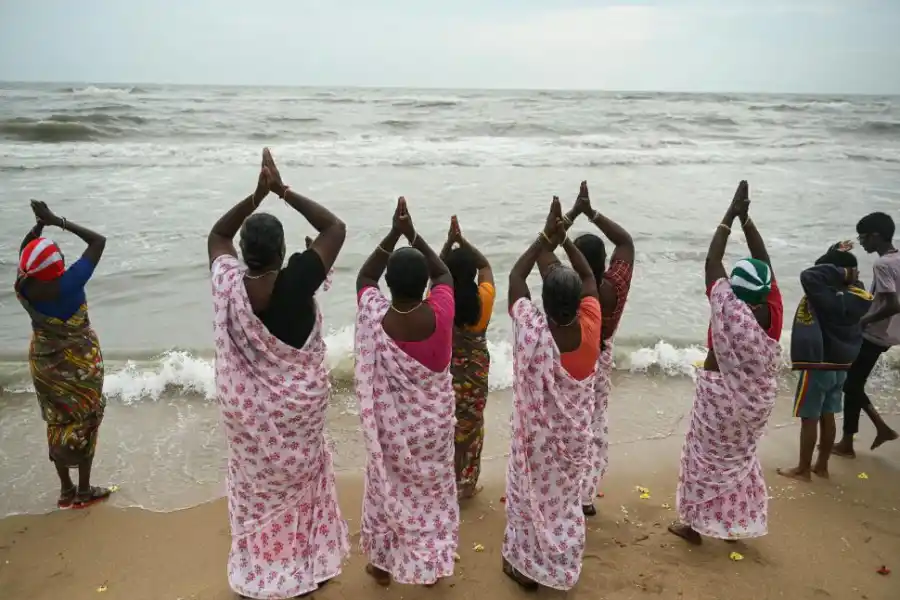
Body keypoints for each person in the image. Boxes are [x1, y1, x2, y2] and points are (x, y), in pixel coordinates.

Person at [208, 148, 349, 599]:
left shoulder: (229, 284)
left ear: (244, 254)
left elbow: (216, 234)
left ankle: (262, 571)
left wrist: (256, 196)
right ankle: (305, 566)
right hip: (296, 418)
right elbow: (335, 228)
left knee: (258, 492)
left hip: (251, 424)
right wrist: (282, 191)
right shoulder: (299, 278)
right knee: (298, 489)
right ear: (284, 251)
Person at [669, 181, 781, 546]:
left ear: (735, 289)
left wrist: (730, 216)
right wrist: (747, 222)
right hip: (756, 403)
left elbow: (711, 261)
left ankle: (693, 526)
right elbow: (764, 262)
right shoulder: (773, 311)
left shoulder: (726, 305)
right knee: (740, 462)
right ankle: (734, 526)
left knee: (703, 460)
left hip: (719, 402)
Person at [354, 197, 458, 587]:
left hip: (393, 431)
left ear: (390, 285)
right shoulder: (442, 312)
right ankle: (430, 567)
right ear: (424, 286)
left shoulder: (375, 314)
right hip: (433, 429)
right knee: (431, 493)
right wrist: (411, 232)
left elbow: (365, 279)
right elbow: (444, 273)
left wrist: (393, 235)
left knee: (387, 487)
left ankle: (382, 565)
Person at [503, 197, 600, 591]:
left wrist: (546, 235)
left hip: (538, 444)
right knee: (562, 502)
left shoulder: (532, 330)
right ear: (578, 303)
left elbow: (514, 278)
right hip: (574, 438)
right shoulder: (592, 327)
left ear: (542, 302)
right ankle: (561, 561)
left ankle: (526, 568)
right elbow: (589, 277)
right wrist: (566, 242)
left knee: (530, 498)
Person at [15, 200, 110, 510]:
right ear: (56, 269)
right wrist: (57, 221)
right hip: (80, 364)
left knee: (56, 422)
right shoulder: (70, 284)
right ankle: (84, 490)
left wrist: (39, 226)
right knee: (87, 421)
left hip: (45, 365)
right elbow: (98, 241)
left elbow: (26, 250)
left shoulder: (24, 285)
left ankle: (65, 490)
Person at [561, 181, 635, 516]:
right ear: (603, 262)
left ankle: (565, 488)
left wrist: (565, 221)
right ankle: (586, 495)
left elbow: (540, 255)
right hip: (601, 358)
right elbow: (626, 241)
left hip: (572, 360)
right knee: (594, 424)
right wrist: (589, 212)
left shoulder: (567, 292)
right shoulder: (613, 288)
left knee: (569, 424)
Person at [778, 243, 872, 481]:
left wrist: (840, 269)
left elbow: (809, 274)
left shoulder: (824, 296)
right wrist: (836, 255)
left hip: (818, 366)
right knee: (827, 415)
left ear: (838, 272)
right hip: (841, 366)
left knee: (809, 417)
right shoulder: (855, 294)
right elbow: (822, 271)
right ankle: (821, 466)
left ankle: (802, 469)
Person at [833, 212, 900, 457]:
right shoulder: (897, 258)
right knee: (853, 383)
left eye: (863, 237)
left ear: (876, 236)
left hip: (875, 333)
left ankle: (853, 440)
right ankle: (865, 434)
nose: (861, 242)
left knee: (850, 384)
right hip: (891, 333)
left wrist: (864, 320)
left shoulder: (882, 264)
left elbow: (893, 304)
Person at [440, 215, 495, 500]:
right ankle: (467, 484)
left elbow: (434, 275)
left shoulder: (441, 302)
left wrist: (448, 244)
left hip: (448, 373)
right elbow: (485, 265)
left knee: (448, 425)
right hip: (476, 372)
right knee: (472, 427)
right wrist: (462, 241)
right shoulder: (483, 298)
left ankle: (446, 481)